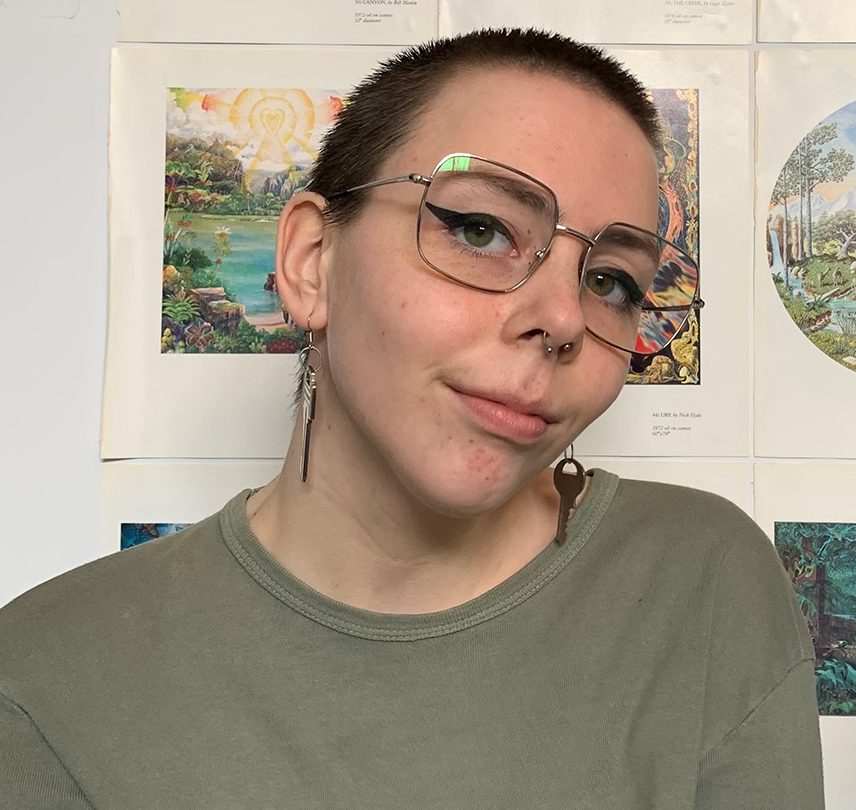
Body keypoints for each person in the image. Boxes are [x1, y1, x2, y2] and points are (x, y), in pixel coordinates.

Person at [0, 28, 823, 809]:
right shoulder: (46, 680)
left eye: (612, 282)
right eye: (481, 229)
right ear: (311, 263)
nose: (564, 319)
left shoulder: (701, 585)